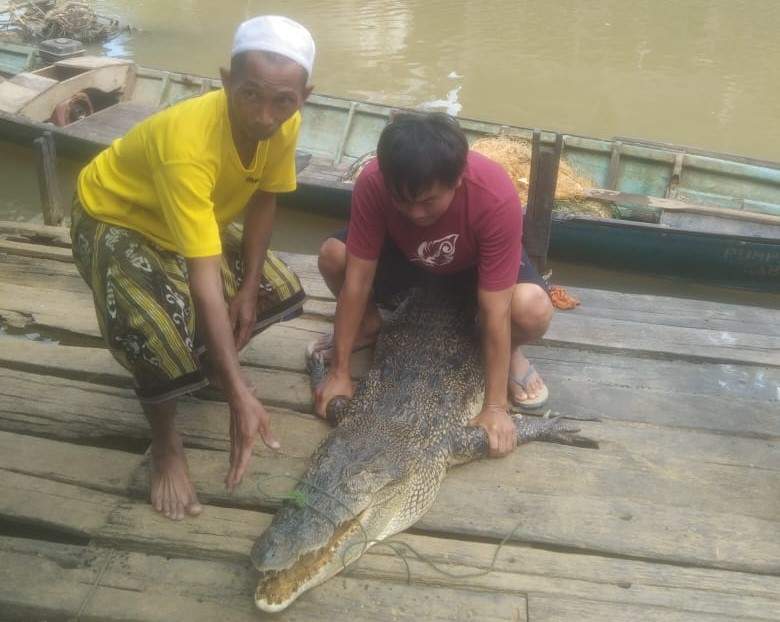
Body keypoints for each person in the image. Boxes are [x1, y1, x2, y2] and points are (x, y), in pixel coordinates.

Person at [70, 15, 315, 520]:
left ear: (303, 96)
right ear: (226, 81)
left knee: (275, 289)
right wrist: (237, 390)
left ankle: (199, 363)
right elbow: (203, 279)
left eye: (283, 102)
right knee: (156, 330)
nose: (265, 116)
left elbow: (266, 198)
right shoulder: (188, 145)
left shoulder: (286, 120)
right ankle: (165, 444)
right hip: (117, 217)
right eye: (250, 95)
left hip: (192, 218)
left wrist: (247, 288)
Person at [313, 113, 553, 457]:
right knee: (333, 256)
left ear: (457, 179)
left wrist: (496, 408)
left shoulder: (494, 195)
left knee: (531, 310)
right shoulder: (374, 181)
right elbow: (357, 281)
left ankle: (509, 353)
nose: (415, 213)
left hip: (473, 269)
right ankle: (367, 327)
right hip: (408, 258)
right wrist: (339, 372)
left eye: (428, 201)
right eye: (402, 200)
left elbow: (495, 307)